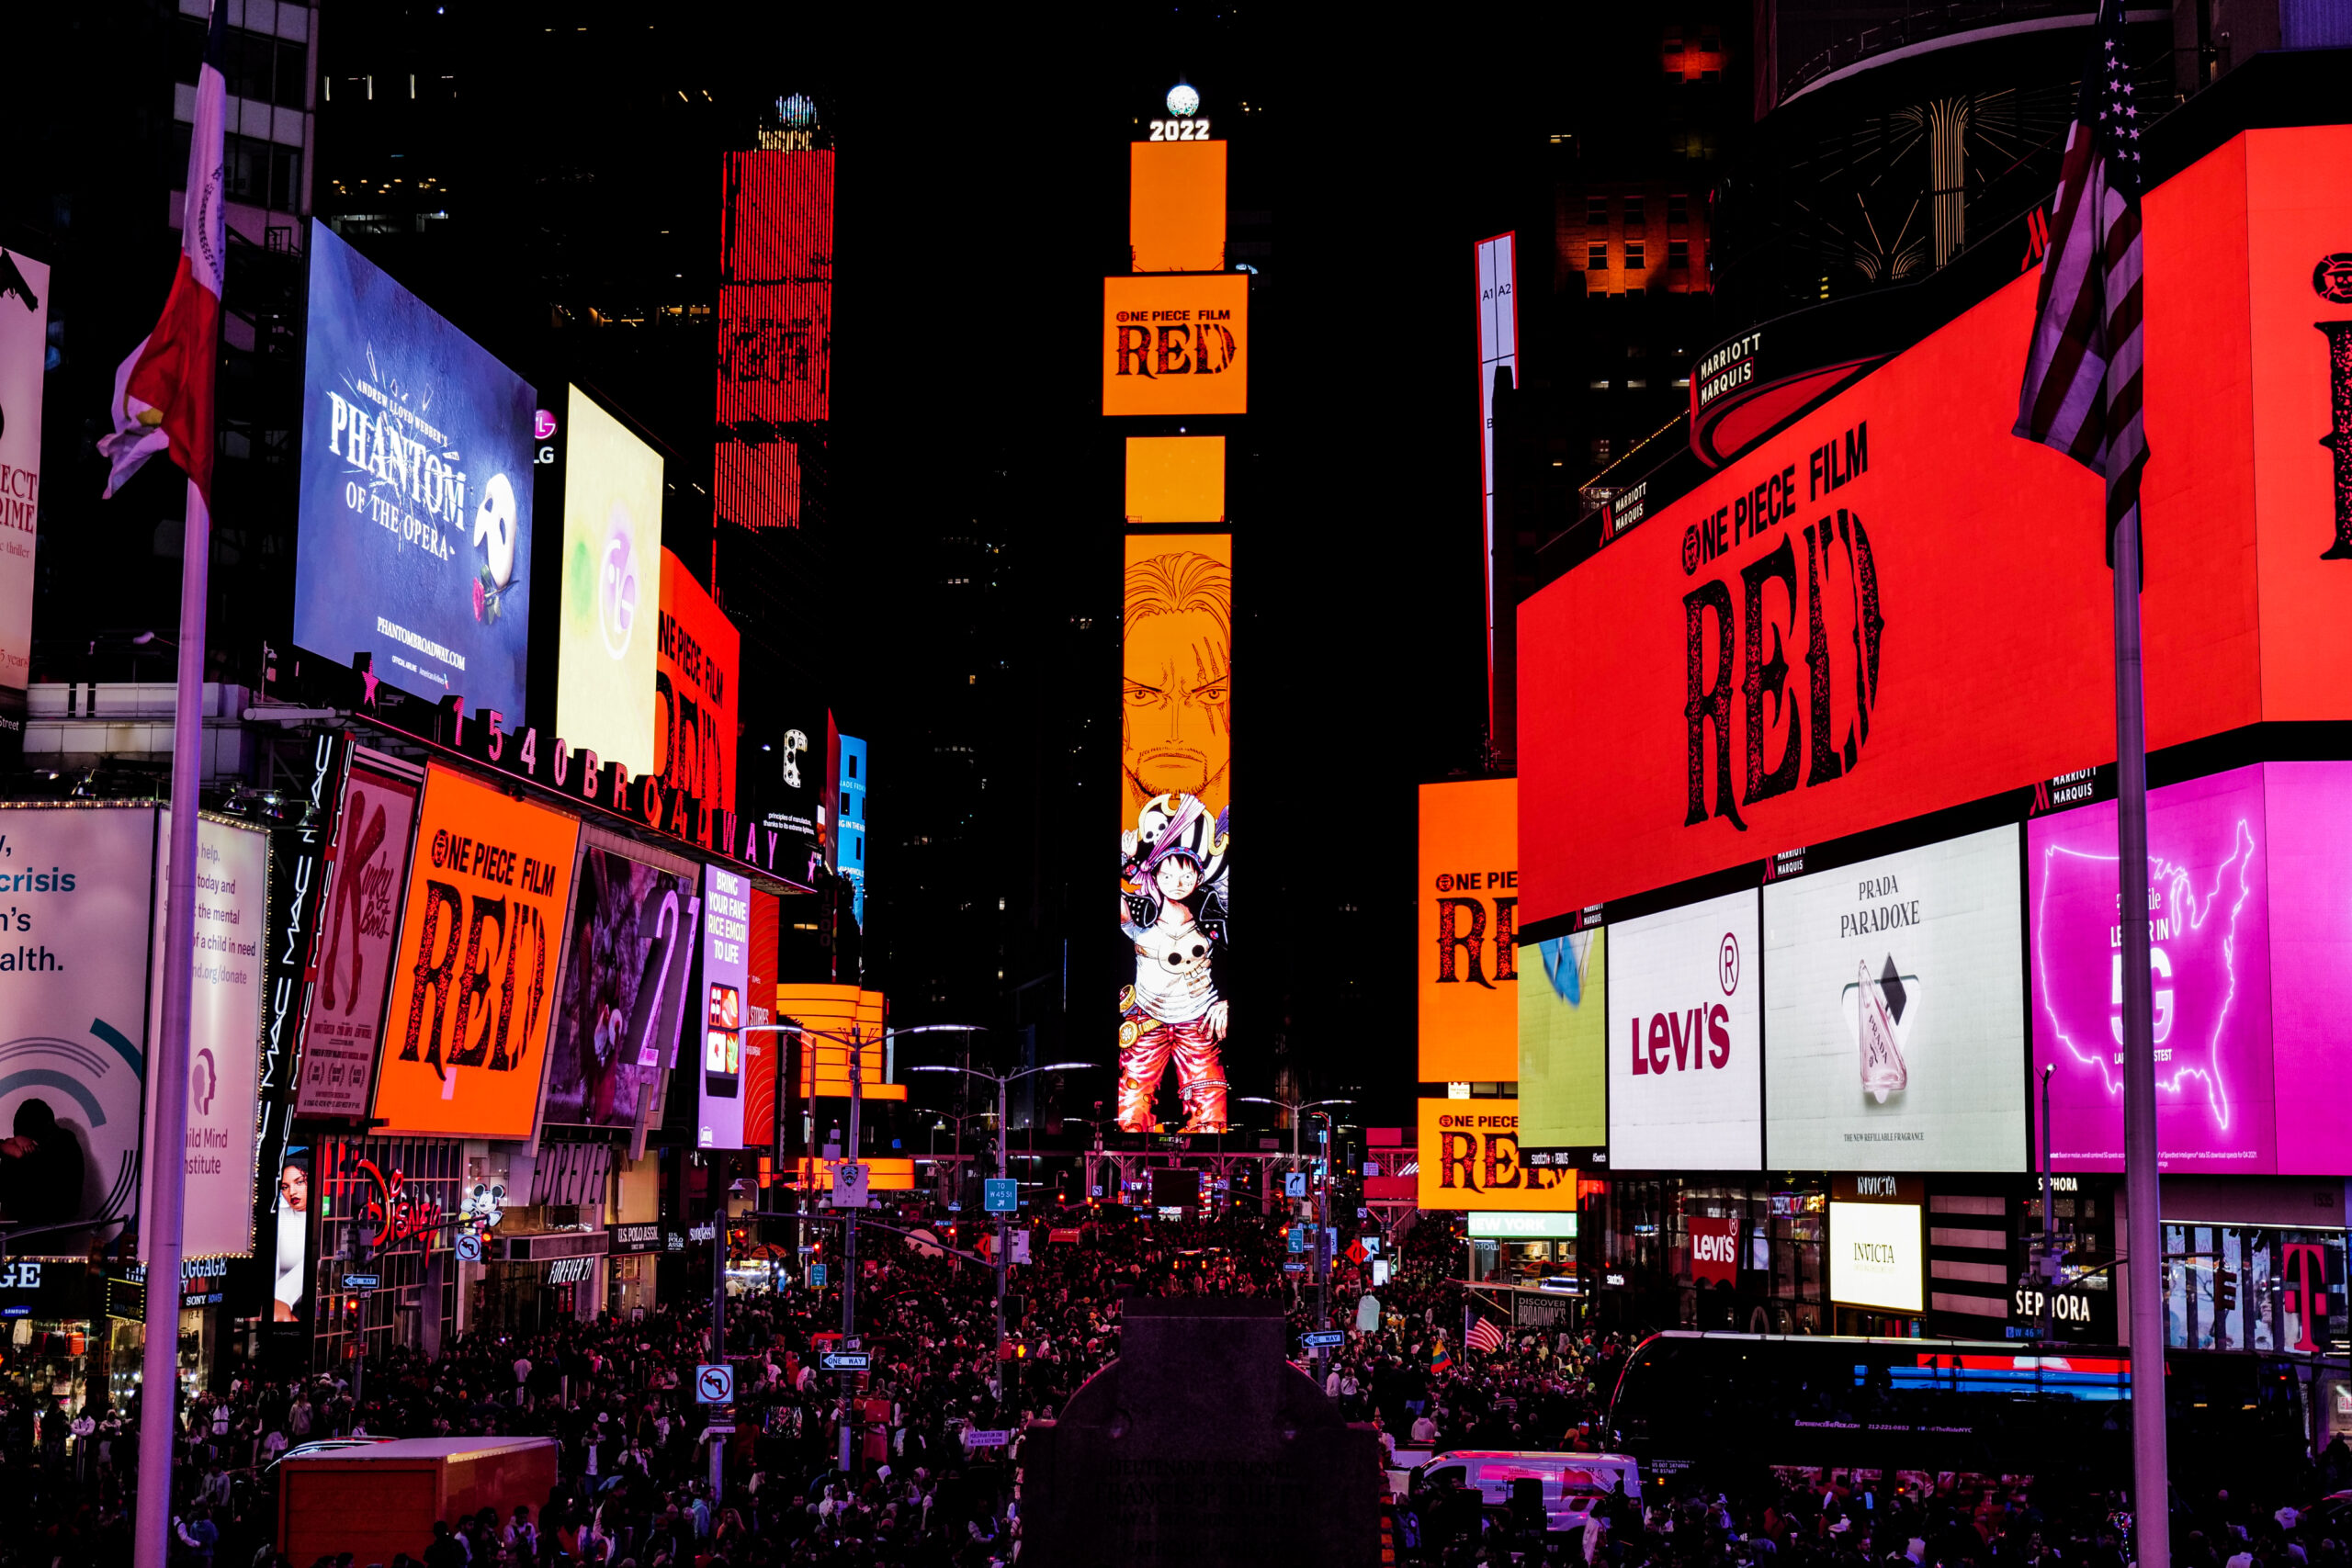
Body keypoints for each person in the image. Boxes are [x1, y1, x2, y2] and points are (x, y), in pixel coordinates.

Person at [1114, 793, 1232, 1133]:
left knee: (1212, 1114)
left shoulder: (1211, 919)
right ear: (1156, 874)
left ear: (1198, 877)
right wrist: (1125, 855)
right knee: (1130, 1115)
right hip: (1146, 1022)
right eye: (1167, 876)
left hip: (1198, 1023)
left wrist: (1226, 1002)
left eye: (1185, 877)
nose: (1176, 884)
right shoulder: (1140, 915)